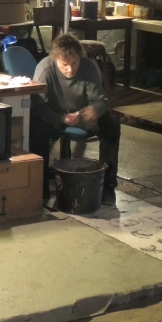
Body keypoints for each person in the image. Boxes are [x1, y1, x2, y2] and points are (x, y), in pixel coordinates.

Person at [29, 34, 120, 204]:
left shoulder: (88, 67)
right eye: (64, 65)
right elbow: (37, 107)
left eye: (74, 63)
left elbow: (101, 100)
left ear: (80, 57)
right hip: (54, 116)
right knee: (35, 127)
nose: (70, 70)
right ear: (55, 59)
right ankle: (40, 189)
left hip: (83, 116)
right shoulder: (45, 69)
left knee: (112, 124)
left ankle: (107, 188)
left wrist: (95, 109)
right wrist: (61, 118)